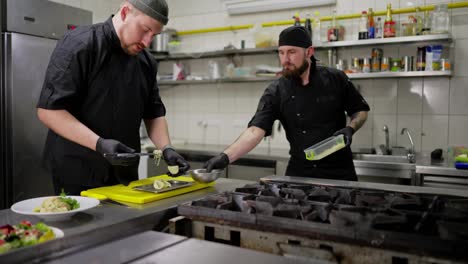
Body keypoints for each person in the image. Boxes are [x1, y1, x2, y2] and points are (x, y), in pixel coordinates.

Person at [36, 0, 189, 195]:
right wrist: (100, 144)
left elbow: (154, 113)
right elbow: (49, 111)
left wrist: (167, 148)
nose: (147, 42)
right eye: (144, 30)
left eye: (154, 35)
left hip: (123, 174)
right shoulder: (80, 44)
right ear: (125, 12)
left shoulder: (147, 62)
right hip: (76, 173)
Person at [204, 26, 370, 181]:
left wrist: (350, 128)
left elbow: (360, 110)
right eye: (281, 53)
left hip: (340, 172)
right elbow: (255, 130)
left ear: (309, 52)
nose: (285, 59)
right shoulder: (276, 90)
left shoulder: (336, 78)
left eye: (291, 52)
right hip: (299, 172)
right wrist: (225, 157)